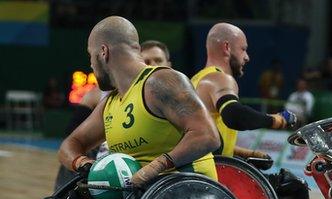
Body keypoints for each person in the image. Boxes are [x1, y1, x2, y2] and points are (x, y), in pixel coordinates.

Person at [58, 16, 220, 187]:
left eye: (91, 55)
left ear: (103, 52)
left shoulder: (160, 81)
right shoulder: (110, 103)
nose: (91, 64)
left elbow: (208, 136)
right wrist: (84, 164)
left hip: (189, 194)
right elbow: (69, 145)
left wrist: (157, 166)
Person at [54, 39, 175, 189]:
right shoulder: (105, 98)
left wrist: (160, 164)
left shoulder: (177, 90)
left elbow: (206, 136)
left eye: (158, 60)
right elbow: (71, 140)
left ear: (169, 65)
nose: (152, 65)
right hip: (117, 173)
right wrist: (83, 163)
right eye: (147, 61)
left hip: (166, 183)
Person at [190, 22, 296, 159]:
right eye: (243, 49)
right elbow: (235, 115)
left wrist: (249, 155)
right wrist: (277, 120)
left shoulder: (196, 80)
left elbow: (207, 141)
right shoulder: (220, 78)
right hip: (206, 175)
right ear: (227, 47)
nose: (247, 57)